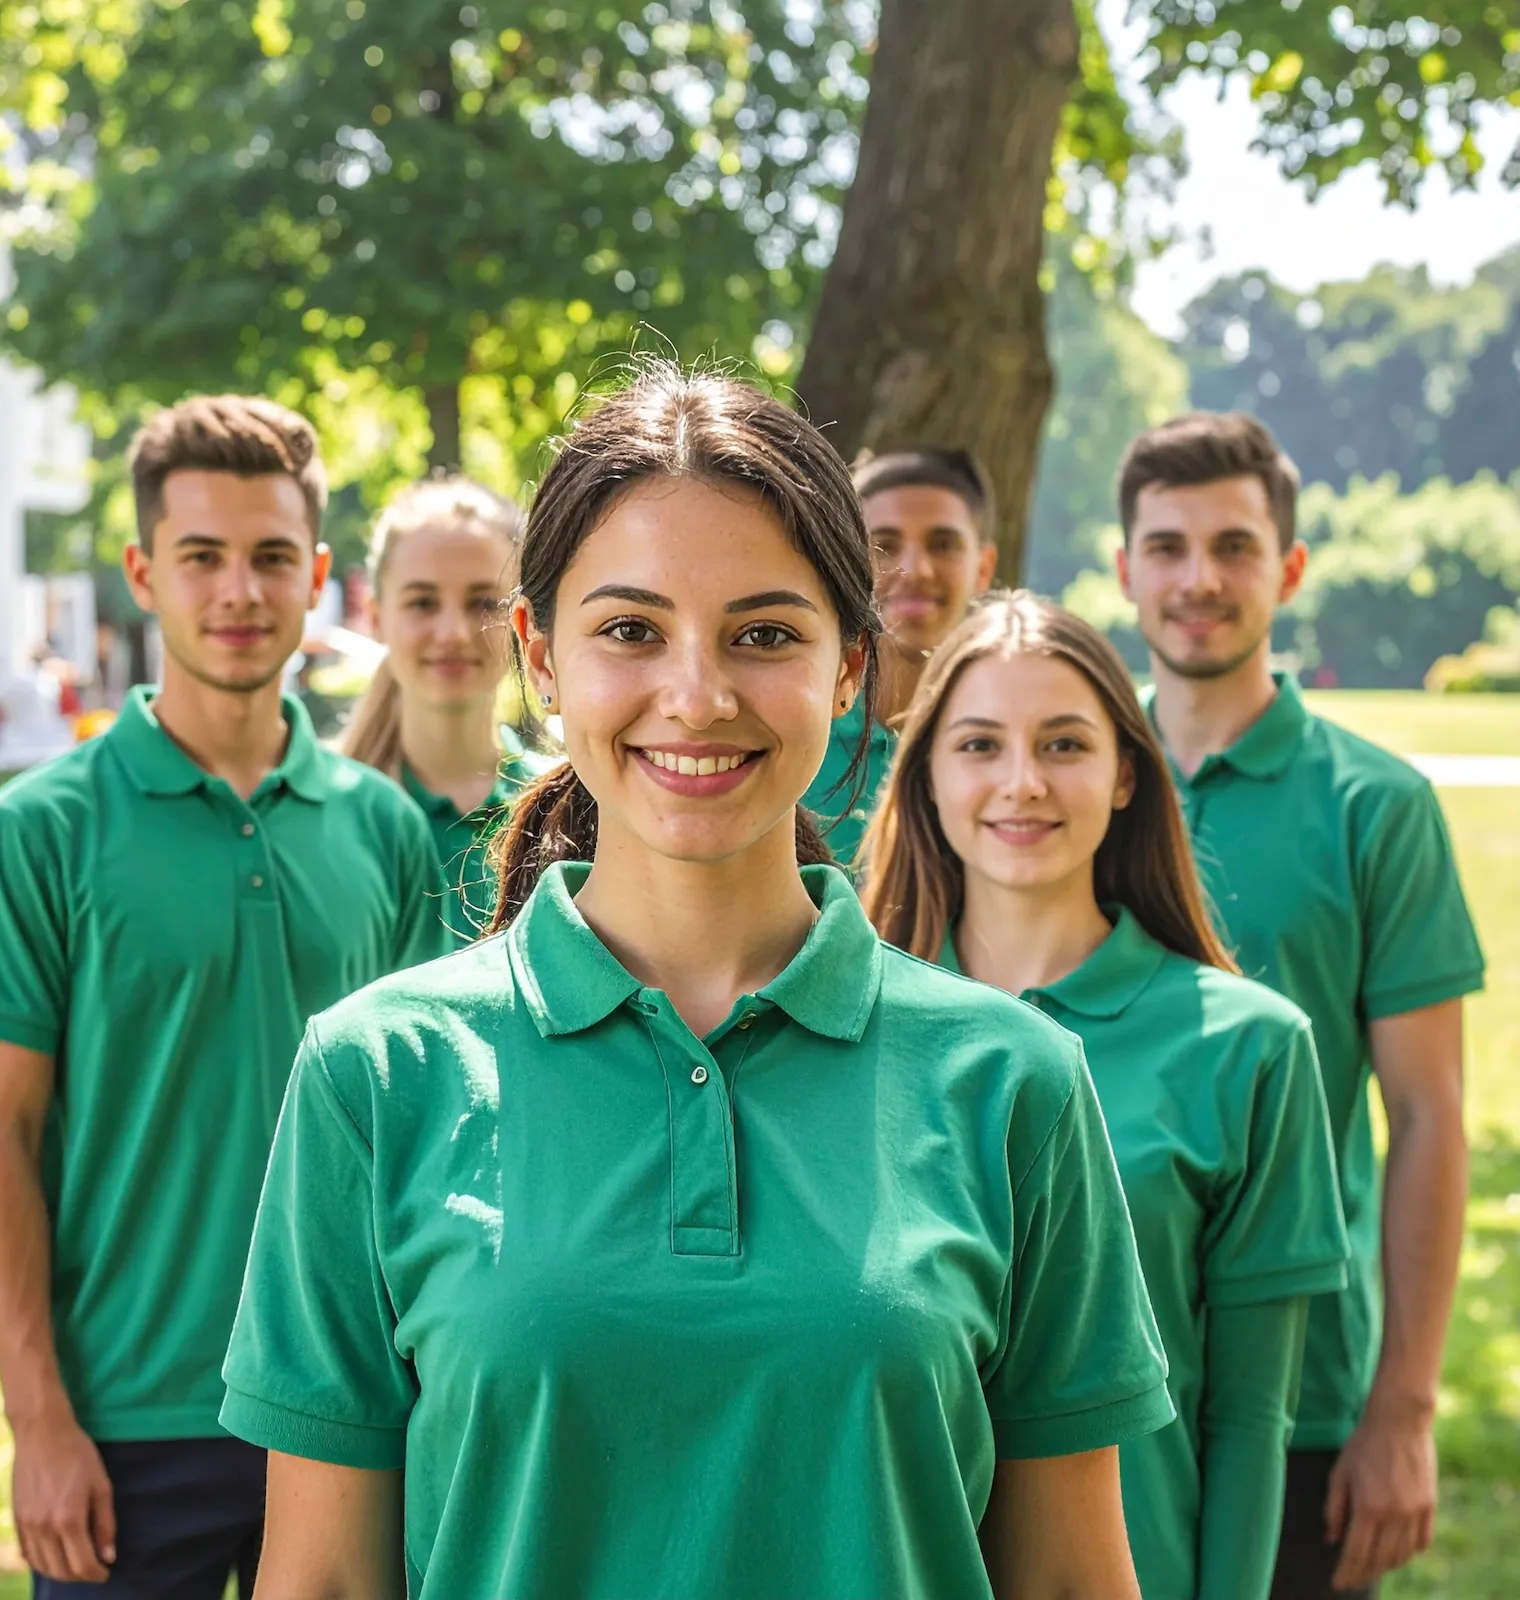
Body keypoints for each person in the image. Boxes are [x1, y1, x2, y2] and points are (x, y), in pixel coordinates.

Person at [218, 366, 1174, 1600]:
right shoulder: (373, 1075)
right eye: (628, 630)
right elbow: (328, 1583)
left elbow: (1066, 1581)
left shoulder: (1014, 1084)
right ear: (540, 656)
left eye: (764, 633)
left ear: (850, 667)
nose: (698, 695)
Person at [0, 395, 446, 1599]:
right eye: (201, 557)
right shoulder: (40, 830)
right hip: (125, 1422)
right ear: (142, 573)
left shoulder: (384, 830)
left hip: (347, 1401)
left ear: (316, 573)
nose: (239, 590)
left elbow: (430, 1138)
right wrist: (39, 1423)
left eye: (273, 557)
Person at [862, 590, 1351, 1600]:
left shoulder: (1251, 1048)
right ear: (927, 778)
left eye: (1065, 744)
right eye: (980, 745)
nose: (1022, 782)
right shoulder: (839, 1031)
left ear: (1128, 772)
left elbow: (1251, 1418)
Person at [1114, 411, 1485, 1599]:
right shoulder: (1063, 779)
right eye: (1165, 547)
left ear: (1286, 568)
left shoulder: (1378, 807)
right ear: (1124, 570)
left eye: (1231, 546)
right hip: (1075, 1366)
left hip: (1307, 1387)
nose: (1197, 578)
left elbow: (1427, 1118)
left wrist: (1405, 1407)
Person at [339, 476, 555, 946]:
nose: (454, 631)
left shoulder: (571, 804)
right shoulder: (325, 814)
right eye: (422, 602)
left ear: (523, 620)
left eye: (481, 602)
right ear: (376, 618)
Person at [802, 447, 997, 861]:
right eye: (885, 544)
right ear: (847, 562)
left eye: (943, 544)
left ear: (983, 567)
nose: (916, 569)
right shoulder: (801, 739)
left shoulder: (1012, 742)